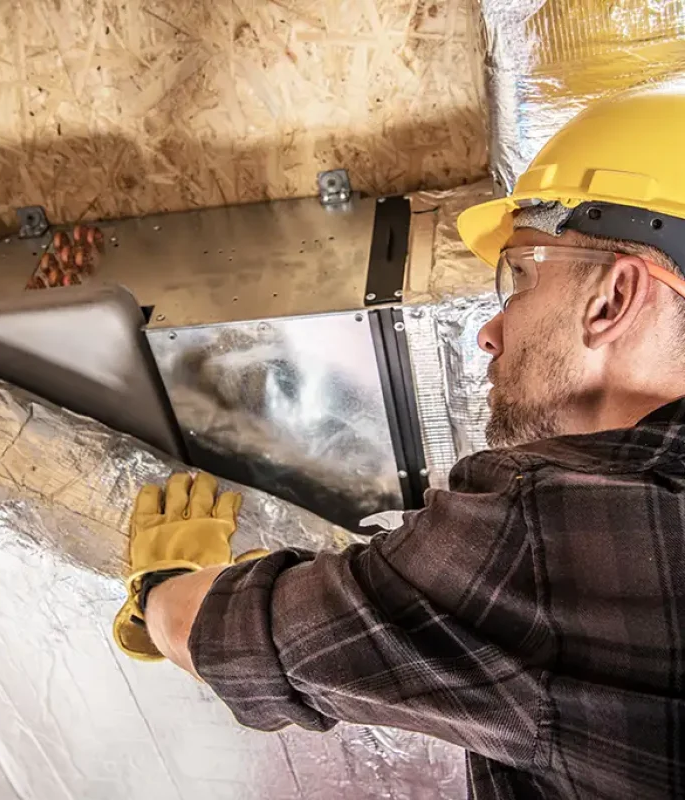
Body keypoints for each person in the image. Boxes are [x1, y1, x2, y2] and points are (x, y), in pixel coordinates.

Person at [113, 84, 685, 799]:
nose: (489, 331)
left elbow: (236, 638)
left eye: (521, 281)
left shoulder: (550, 528)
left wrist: (161, 587)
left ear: (613, 299)